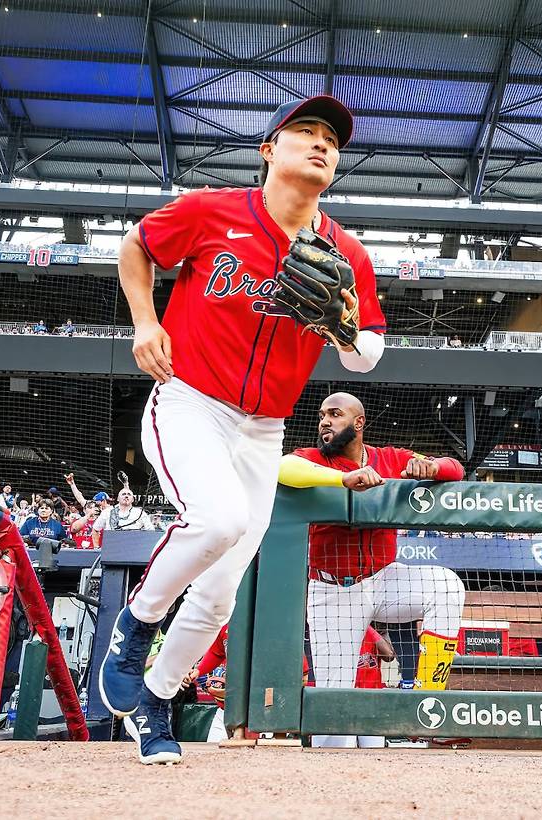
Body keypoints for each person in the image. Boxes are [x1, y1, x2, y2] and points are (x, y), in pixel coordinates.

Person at [99, 95, 386, 765]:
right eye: (305, 133)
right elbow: (136, 245)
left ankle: (156, 699)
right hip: (190, 401)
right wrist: (146, 321)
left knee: (223, 589)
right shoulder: (211, 211)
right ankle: (135, 626)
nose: (321, 145)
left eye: (331, 141)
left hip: (264, 428)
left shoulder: (346, 252)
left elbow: (366, 351)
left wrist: (343, 327)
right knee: (219, 519)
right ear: (269, 150)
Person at [279, 391, 466, 748]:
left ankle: (424, 704)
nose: (325, 422)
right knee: (335, 727)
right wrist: (341, 481)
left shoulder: (389, 458)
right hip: (333, 590)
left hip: (384, 578)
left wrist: (430, 467)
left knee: (446, 585)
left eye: (335, 414)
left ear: (358, 422)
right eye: (322, 416)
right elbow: (283, 468)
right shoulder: (315, 459)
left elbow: (454, 467)